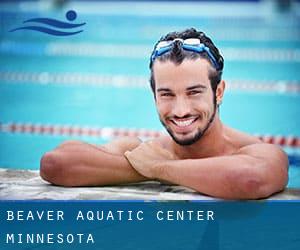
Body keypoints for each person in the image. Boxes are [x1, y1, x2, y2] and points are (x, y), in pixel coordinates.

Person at [40, 28, 288, 199]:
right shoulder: (142, 149)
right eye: (167, 94)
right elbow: (56, 164)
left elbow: (249, 180)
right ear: (154, 95)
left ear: (219, 91)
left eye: (194, 93)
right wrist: (158, 166)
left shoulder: (255, 151)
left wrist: (161, 168)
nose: (180, 111)